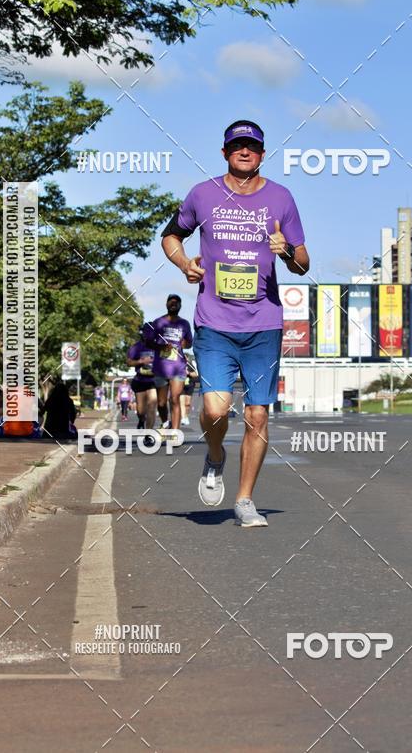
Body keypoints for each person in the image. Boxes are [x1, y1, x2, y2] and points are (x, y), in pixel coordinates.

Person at [162, 119, 309, 527]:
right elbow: (171, 236)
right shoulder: (203, 194)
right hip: (214, 323)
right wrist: (184, 263)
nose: (245, 152)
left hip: (263, 324)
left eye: (252, 146)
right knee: (215, 407)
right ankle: (214, 455)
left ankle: (245, 500)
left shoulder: (281, 198)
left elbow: (302, 263)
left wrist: (286, 252)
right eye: (237, 146)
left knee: (258, 415)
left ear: (262, 154)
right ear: (225, 152)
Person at [143, 295, 192, 431]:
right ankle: (165, 422)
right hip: (161, 368)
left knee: (175, 399)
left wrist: (185, 343)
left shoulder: (184, 324)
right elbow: (148, 342)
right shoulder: (158, 322)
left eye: (176, 303)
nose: (173, 304)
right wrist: (161, 347)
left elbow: (189, 343)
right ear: (166, 304)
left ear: (180, 306)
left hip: (178, 367)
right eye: (171, 302)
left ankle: (175, 432)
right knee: (161, 403)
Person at [127, 330, 158, 430]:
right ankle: (141, 419)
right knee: (140, 411)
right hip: (140, 381)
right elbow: (128, 362)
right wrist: (141, 361)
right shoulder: (137, 347)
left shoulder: (158, 346)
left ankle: (148, 433)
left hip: (154, 381)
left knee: (152, 407)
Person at [180, 356, 198, 426]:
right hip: (181, 385)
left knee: (187, 404)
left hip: (189, 385)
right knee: (182, 403)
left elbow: (196, 374)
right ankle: (183, 418)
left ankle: (186, 416)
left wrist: (189, 373)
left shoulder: (190, 365)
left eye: (185, 357)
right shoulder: (178, 365)